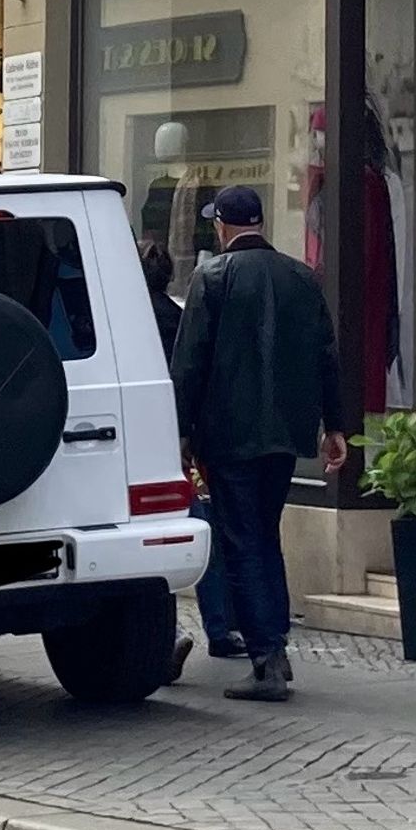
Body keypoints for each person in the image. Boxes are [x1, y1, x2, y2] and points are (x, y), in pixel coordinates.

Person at [171, 186, 347, 702]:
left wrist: (180, 432)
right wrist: (334, 426)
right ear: (262, 223)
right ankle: (275, 648)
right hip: (285, 435)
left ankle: (267, 658)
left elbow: (190, 362)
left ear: (222, 226)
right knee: (264, 534)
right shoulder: (301, 276)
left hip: (228, 435)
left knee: (242, 540)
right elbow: (326, 355)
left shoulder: (212, 278)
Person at [141, 241, 245, 681]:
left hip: (139, 444)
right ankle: (220, 628)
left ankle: (156, 646)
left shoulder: (118, 318)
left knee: (148, 549)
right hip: (174, 441)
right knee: (200, 530)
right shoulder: (175, 317)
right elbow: (191, 375)